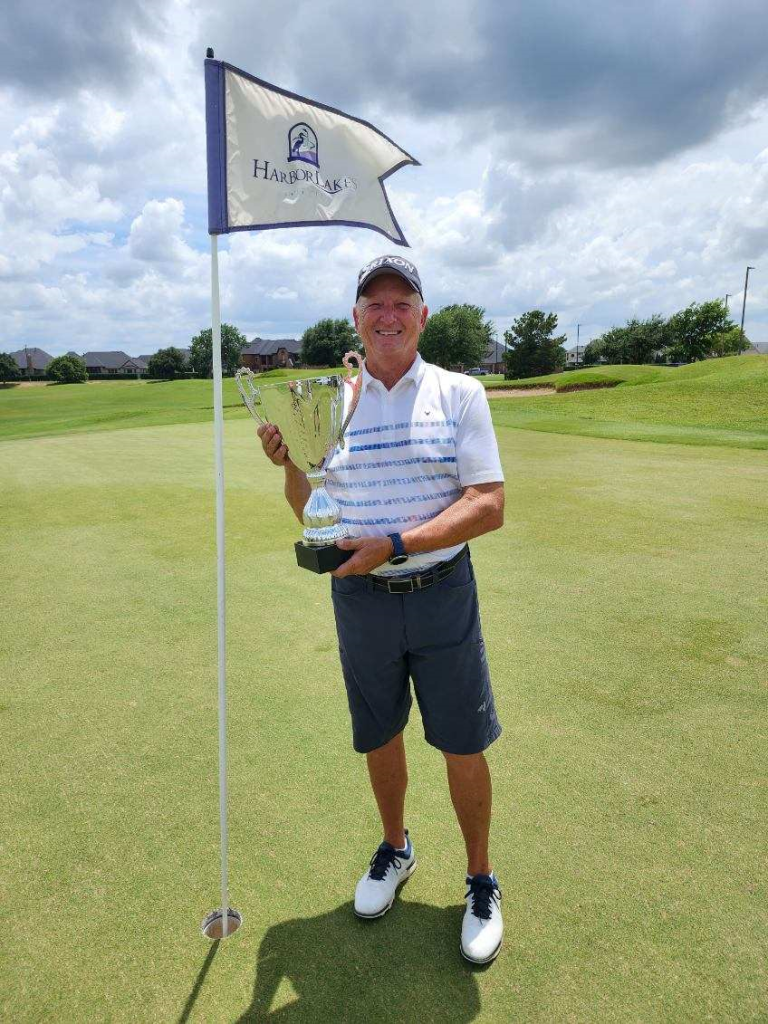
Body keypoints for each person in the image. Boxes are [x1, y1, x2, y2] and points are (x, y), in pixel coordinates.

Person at [256, 255, 505, 964]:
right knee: (378, 733)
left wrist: (395, 544)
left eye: (402, 303)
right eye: (375, 304)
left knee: (462, 740)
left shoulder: (460, 393)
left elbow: (488, 505)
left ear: (422, 316)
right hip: (360, 599)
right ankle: (396, 848)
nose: (388, 315)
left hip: (441, 592)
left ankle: (480, 879)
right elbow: (312, 513)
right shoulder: (332, 402)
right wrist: (292, 463)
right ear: (356, 318)